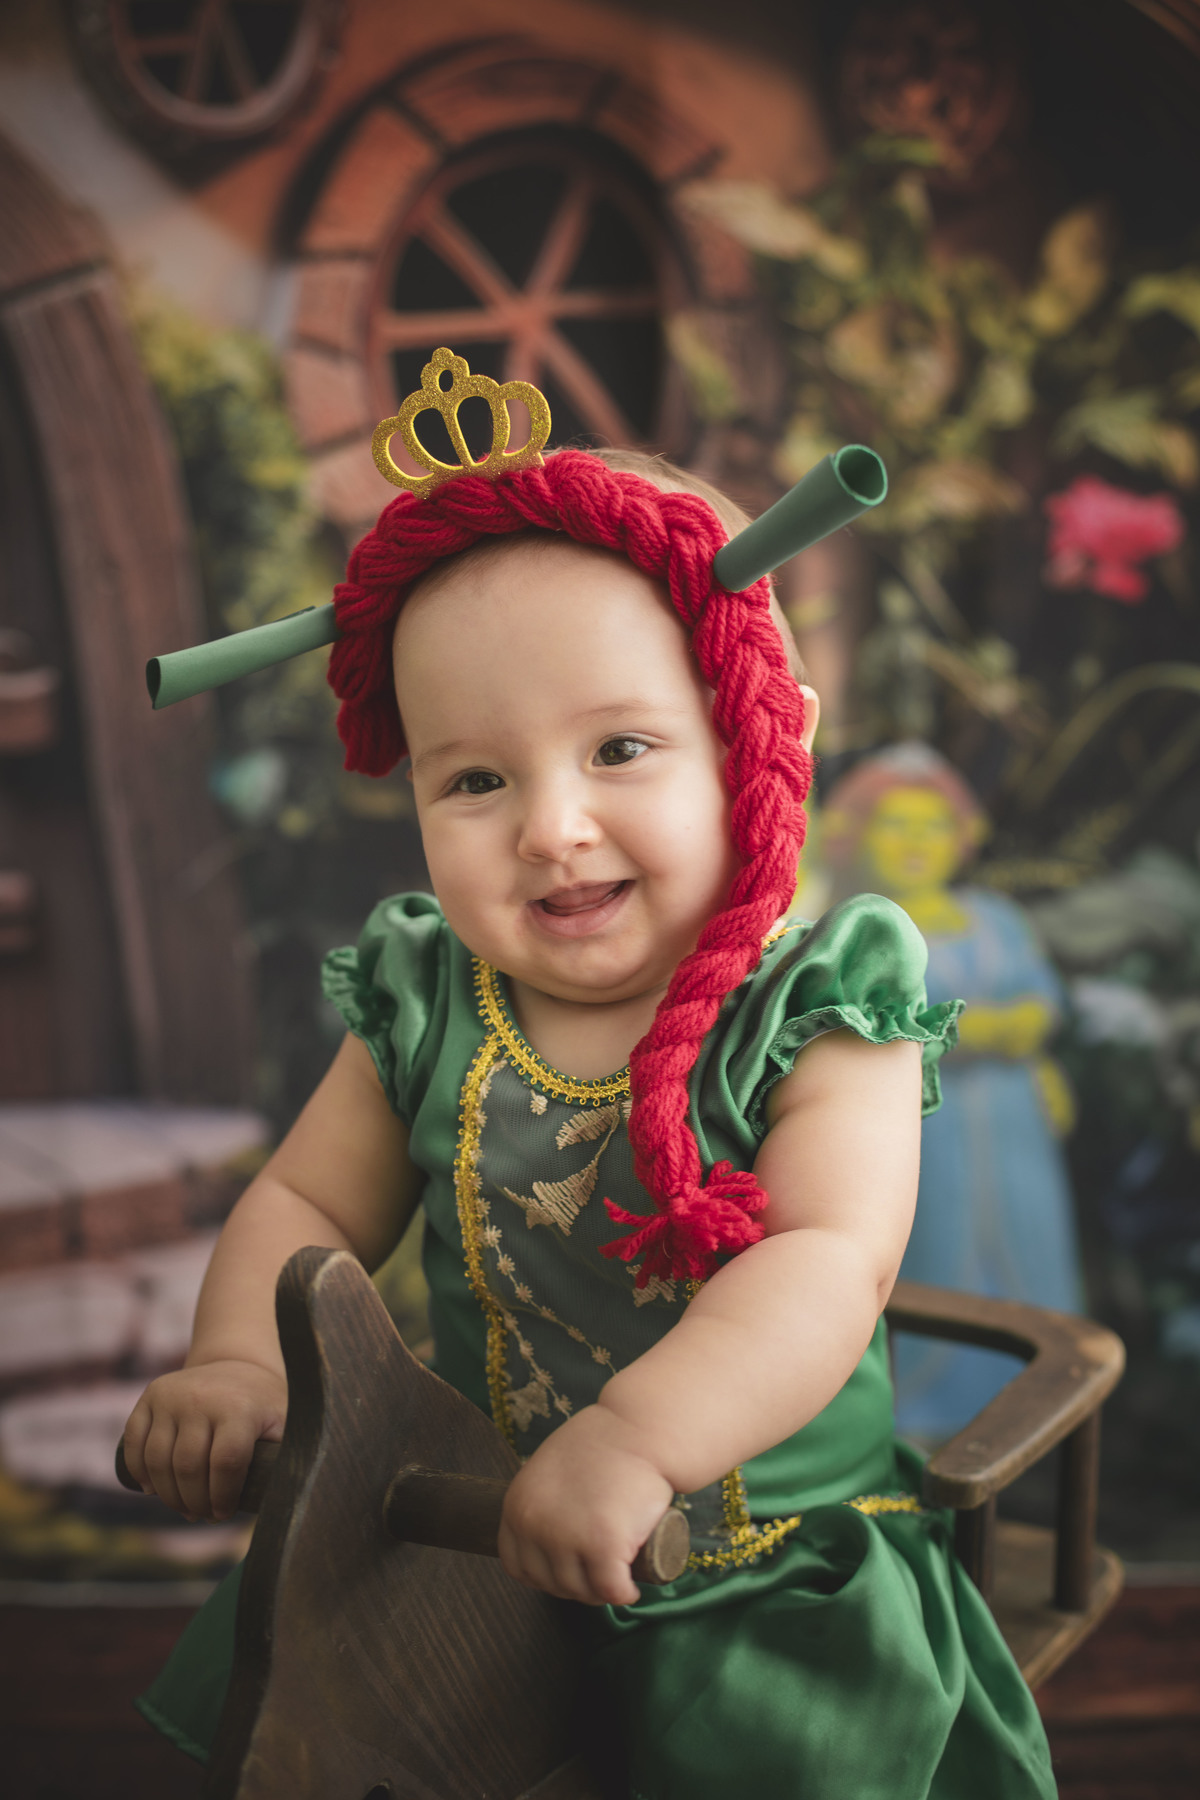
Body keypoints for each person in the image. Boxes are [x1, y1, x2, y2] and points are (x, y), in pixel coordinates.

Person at [123, 431, 1056, 1798]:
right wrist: (237, 1364)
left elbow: (827, 1260)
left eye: (620, 748)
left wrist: (638, 1441)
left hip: (746, 1564)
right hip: (473, 1529)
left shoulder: (815, 1007)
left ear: (760, 736)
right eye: (475, 779)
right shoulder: (432, 997)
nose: (550, 828)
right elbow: (308, 1202)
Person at [823, 743, 1084, 1441]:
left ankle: (1043, 1409)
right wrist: (973, 1032)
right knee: (930, 1250)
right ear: (858, 834)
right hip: (918, 1128)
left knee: (1031, 1246)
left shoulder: (995, 915)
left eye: (933, 825)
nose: (917, 842)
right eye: (896, 825)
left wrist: (1031, 1022)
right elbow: (859, 1018)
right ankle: (922, 1422)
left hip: (1015, 1125)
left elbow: (1044, 993)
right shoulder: (858, 924)